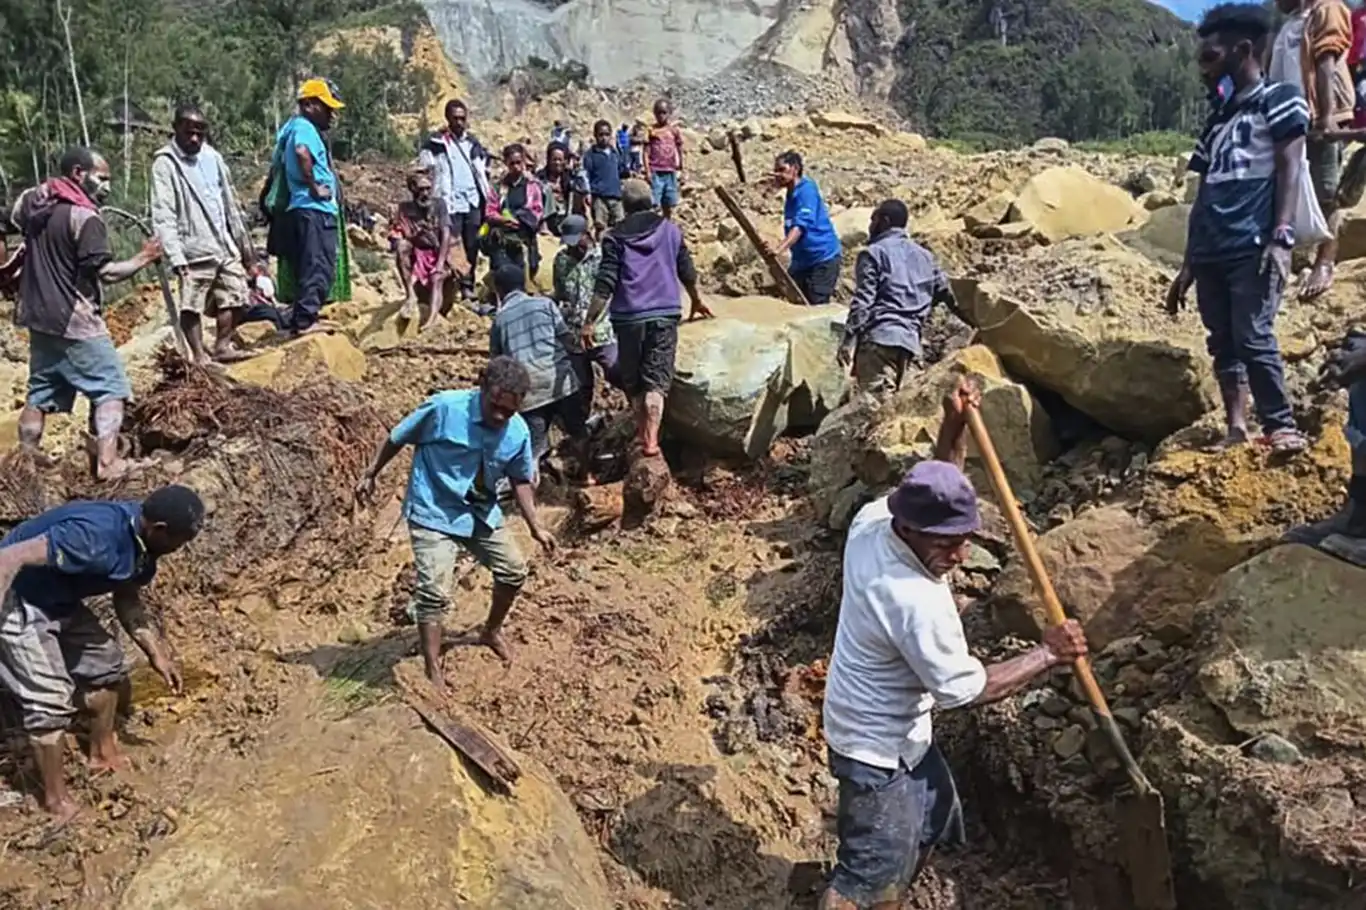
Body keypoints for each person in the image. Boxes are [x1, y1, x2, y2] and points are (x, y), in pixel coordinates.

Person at [820, 381, 1089, 910]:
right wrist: (1049, 654)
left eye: (965, 538)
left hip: (901, 733)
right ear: (911, 530)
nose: (961, 556)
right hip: (873, 749)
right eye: (947, 544)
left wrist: (953, 425)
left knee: (928, 824)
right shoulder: (910, 600)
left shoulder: (875, 519)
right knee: (866, 879)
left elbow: (939, 483)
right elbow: (967, 690)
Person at [0, 485, 204, 823]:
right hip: (19, 597)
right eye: (178, 543)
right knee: (49, 701)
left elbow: (126, 596)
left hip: (59, 600)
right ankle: (55, 801)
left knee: (107, 668)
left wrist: (157, 654)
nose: (178, 550)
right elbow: (8, 557)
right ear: (160, 530)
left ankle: (101, 752)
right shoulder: (94, 536)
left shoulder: (142, 546)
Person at [355, 357, 556, 686]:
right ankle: (432, 667)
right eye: (495, 407)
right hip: (433, 508)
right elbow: (397, 438)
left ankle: (490, 631)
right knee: (434, 592)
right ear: (482, 385)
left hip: (478, 511)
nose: (500, 416)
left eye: (509, 411)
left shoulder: (517, 431)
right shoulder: (444, 409)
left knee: (514, 570)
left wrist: (536, 526)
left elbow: (520, 479)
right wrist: (370, 473)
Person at [1167, 3, 1310, 454]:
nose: (1203, 71)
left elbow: (1291, 165)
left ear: (1243, 50)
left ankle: (1280, 423)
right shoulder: (1217, 123)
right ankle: (1236, 427)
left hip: (1251, 243)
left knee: (1253, 334)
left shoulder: (1280, 100)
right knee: (1223, 340)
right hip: (1212, 246)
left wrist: (1282, 234)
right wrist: (1188, 263)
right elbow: (1202, 194)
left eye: (1210, 58)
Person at [13, 147, 162, 481]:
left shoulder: (34, 202)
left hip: (38, 316)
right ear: (79, 173)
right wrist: (144, 258)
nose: (106, 186)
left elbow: (9, 220)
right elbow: (106, 273)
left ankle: (25, 461)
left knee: (40, 390)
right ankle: (109, 464)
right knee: (111, 387)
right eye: (102, 177)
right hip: (74, 318)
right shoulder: (85, 218)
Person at [584, 180, 712, 458]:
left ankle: (641, 432)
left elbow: (606, 281)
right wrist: (697, 299)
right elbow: (686, 270)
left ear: (624, 206)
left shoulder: (614, 237)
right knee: (656, 379)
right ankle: (652, 441)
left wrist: (590, 321)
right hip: (664, 312)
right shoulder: (670, 230)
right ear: (651, 201)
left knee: (634, 379)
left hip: (628, 316)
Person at [151, 104, 259, 366]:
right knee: (192, 302)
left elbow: (230, 203)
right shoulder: (165, 164)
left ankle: (222, 345)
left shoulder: (213, 158)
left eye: (200, 133)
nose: (195, 139)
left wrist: (247, 252)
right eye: (189, 133)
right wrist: (175, 256)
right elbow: (163, 213)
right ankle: (199, 355)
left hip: (222, 243)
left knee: (236, 295)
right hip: (193, 247)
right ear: (176, 129)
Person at [1270, 0, 1355, 300]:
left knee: (1326, 190)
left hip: (1319, 115)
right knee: (1287, 184)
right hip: (1290, 118)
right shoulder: (1292, 20)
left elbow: (1326, 60)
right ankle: (1289, 251)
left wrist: (1326, 116)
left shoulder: (1327, 8)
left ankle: (1325, 262)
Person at [840, 200, 955, 394]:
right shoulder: (925, 256)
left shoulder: (873, 254)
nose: (870, 226)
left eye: (873, 219)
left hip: (880, 341)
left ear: (884, 221)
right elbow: (947, 292)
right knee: (902, 412)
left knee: (874, 410)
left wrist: (848, 338)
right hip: (912, 345)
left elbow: (863, 301)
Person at [488, 263, 588, 476]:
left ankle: (531, 498)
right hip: (561, 382)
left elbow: (498, 365)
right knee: (579, 433)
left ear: (499, 290)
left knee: (532, 451)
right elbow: (567, 340)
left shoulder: (500, 320)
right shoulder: (545, 304)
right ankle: (585, 476)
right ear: (523, 284)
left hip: (529, 394)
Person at [267, 78, 345, 337]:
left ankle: (301, 316)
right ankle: (305, 321)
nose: (331, 114)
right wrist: (314, 186)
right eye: (326, 107)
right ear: (310, 105)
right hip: (313, 207)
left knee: (308, 264)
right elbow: (302, 152)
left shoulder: (291, 127)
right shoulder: (304, 128)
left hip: (303, 208)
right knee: (318, 264)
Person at [418, 99, 492, 303]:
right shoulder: (436, 144)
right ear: (448, 119)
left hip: (472, 200)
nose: (459, 122)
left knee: (473, 243)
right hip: (449, 201)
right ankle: (454, 286)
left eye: (462, 118)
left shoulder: (473, 143)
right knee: (451, 244)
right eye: (455, 118)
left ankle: (468, 285)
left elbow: (482, 170)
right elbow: (425, 170)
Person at [767, 150, 843, 306]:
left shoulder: (807, 190)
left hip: (822, 259)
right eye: (776, 171)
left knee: (816, 306)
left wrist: (779, 249)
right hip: (802, 262)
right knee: (794, 304)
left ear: (795, 168)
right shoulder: (791, 193)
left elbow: (800, 226)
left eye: (782, 170)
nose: (777, 175)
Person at [553, 213, 618, 393]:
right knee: (580, 385)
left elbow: (613, 289)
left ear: (587, 235)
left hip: (603, 331)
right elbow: (560, 294)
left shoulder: (603, 258)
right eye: (568, 243)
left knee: (616, 371)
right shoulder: (561, 261)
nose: (572, 248)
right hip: (574, 335)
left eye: (576, 242)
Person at [392, 168, 459, 330]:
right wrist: (414, 235)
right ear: (413, 189)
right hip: (419, 252)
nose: (425, 193)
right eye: (421, 189)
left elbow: (446, 235)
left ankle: (432, 318)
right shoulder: (405, 209)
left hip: (440, 251)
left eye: (428, 189)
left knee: (437, 277)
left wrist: (439, 264)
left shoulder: (439, 205)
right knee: (401, 247)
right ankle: (411, 296)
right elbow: (402, 235)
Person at [483, 143, 545, 279]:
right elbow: (490, 210)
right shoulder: (499, 186)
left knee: (520, 276)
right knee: (502, 273)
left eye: (519, 162)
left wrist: (520, 219)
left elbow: (537, 210)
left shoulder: (532, 185)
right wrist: (503, 220)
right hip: (502, 237)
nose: (516, 167)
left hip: (523, 238)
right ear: (506, 163)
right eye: (512, 163)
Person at [583, 120, 626, 233]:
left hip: (616, 196)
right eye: (601, 135)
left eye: (607, 135)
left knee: (620, 224)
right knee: (600, 225)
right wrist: (588, 193)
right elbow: (586, 174)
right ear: (595, 136)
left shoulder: (614, 153)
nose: (604, 138)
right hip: (599, 197)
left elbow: (622, 171)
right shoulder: (591, 154)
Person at [538, 141, 588, 237]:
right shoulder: (540, 178)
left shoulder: (569, 179)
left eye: (560, 160)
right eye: (554, 159)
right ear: (548, 160)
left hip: (566, 216)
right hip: (548, 218)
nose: (557, 163)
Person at [646, 100, 684, 219]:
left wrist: (682, 165)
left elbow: (679, 147)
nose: (661, 116)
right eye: (658, 113)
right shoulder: (651, 130)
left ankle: (666, 225)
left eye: (664, 112)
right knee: (655, 201)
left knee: (668, 202)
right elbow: (646, 151)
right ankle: (654, 225)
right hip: (656, 170)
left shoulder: (674, 131)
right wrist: (647, 170)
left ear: (669, 113)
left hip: (670, 170)